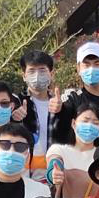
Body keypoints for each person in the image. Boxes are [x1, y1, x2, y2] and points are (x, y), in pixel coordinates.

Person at [50, 40, 99, 146]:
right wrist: (59, 110)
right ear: (78, 69)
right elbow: (61, 123)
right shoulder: (73, 99)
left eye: (97, 64)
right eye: (86, 65)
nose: (91, 69)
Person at [19, 49, 56, 179]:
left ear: (51, 74)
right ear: (24, 75)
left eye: (42, 70)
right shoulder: (16, 103)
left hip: (56, 174)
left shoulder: (61, 104)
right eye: (31, 71)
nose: (37, 75)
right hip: (26, 176)